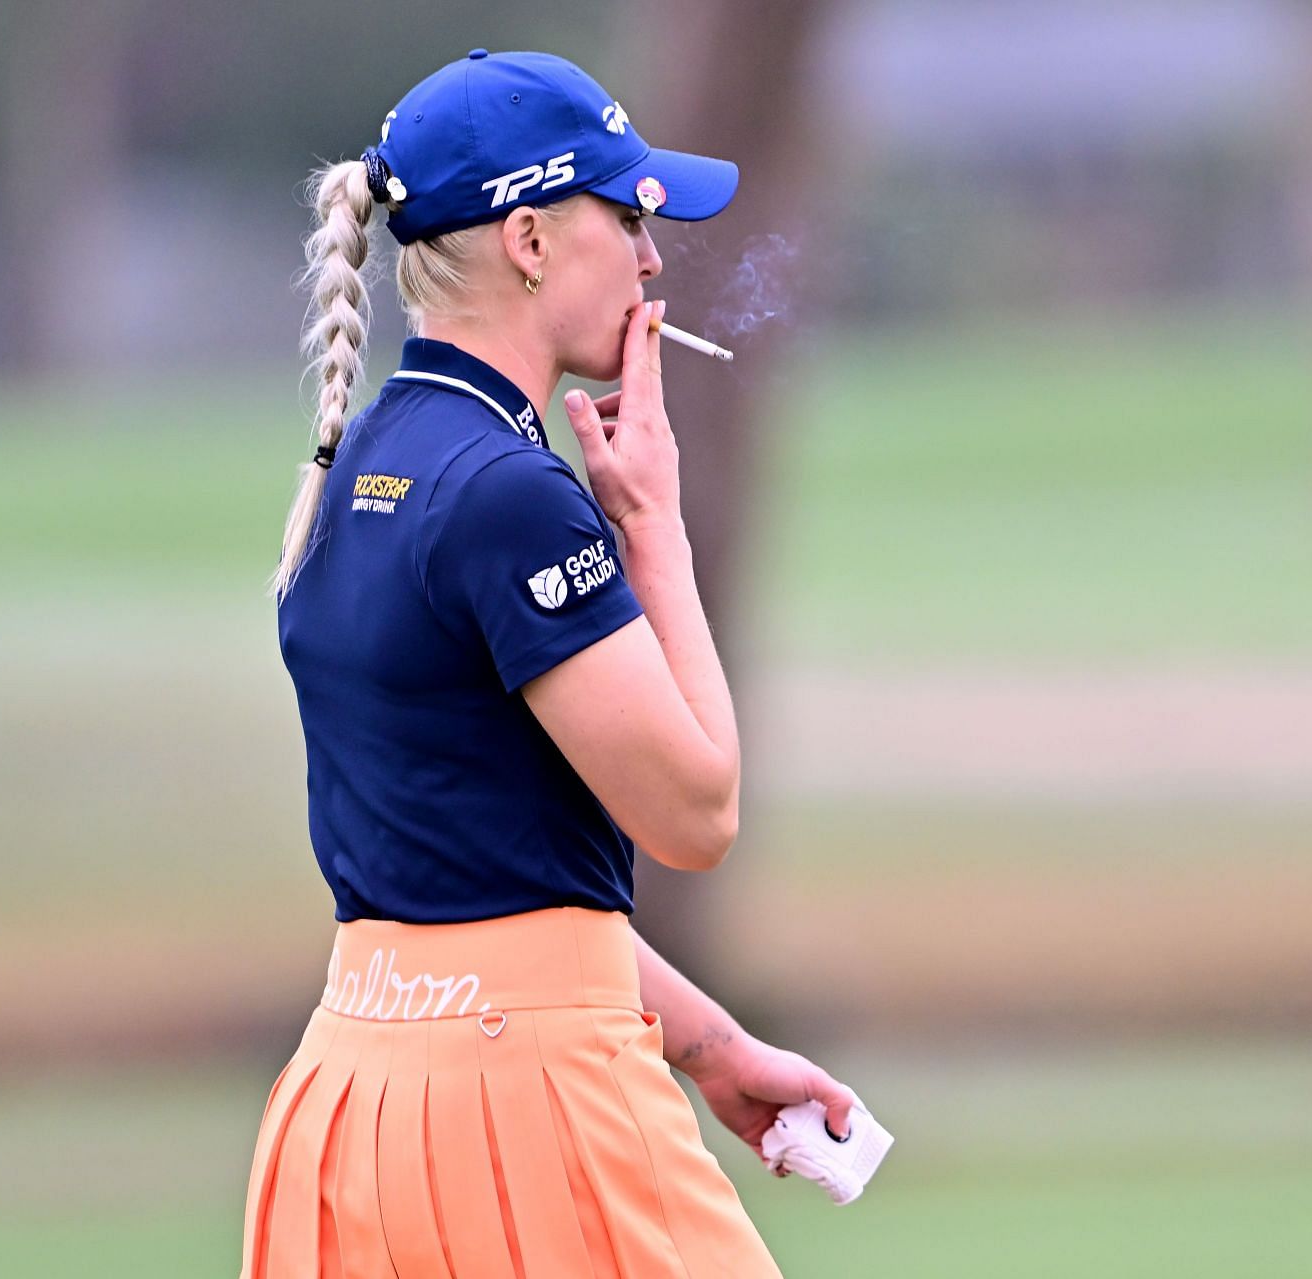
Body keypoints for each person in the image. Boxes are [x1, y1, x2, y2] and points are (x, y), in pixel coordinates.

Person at [240, 49, 856, 1277]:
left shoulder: (369, 463)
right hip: (524, 1102)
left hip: (350, 1108)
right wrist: (657, 534)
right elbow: (696, 809)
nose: (652, 255)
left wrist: (714, 1046)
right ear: (527, 239)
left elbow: (488, 888)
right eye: (627, 215)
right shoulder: (514, 497)